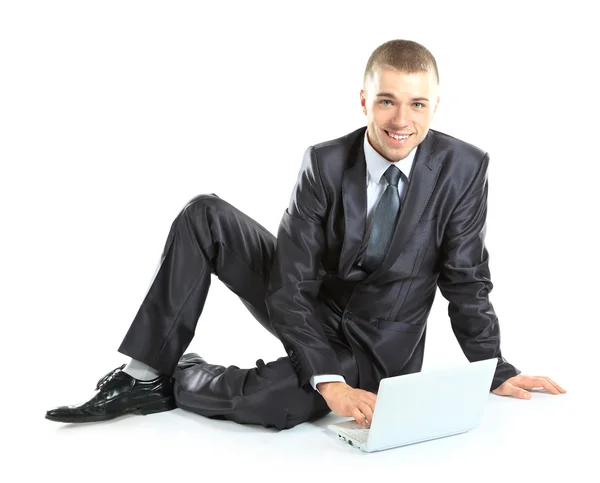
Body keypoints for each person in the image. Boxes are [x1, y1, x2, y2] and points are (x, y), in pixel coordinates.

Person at [45, 39, 566, 430]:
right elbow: (290, 282)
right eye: (387, 102)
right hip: (314, 306)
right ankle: (143, 374)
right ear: (363, 101)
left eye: (417, 104)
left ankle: (180, 375)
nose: (401, 120)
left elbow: (466, 278)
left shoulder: (463, 168)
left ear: (435, 106)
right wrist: (329, 381)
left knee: (277, 403)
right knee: (204, 214)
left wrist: (492, 367)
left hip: (378, 344)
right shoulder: (323, 162)